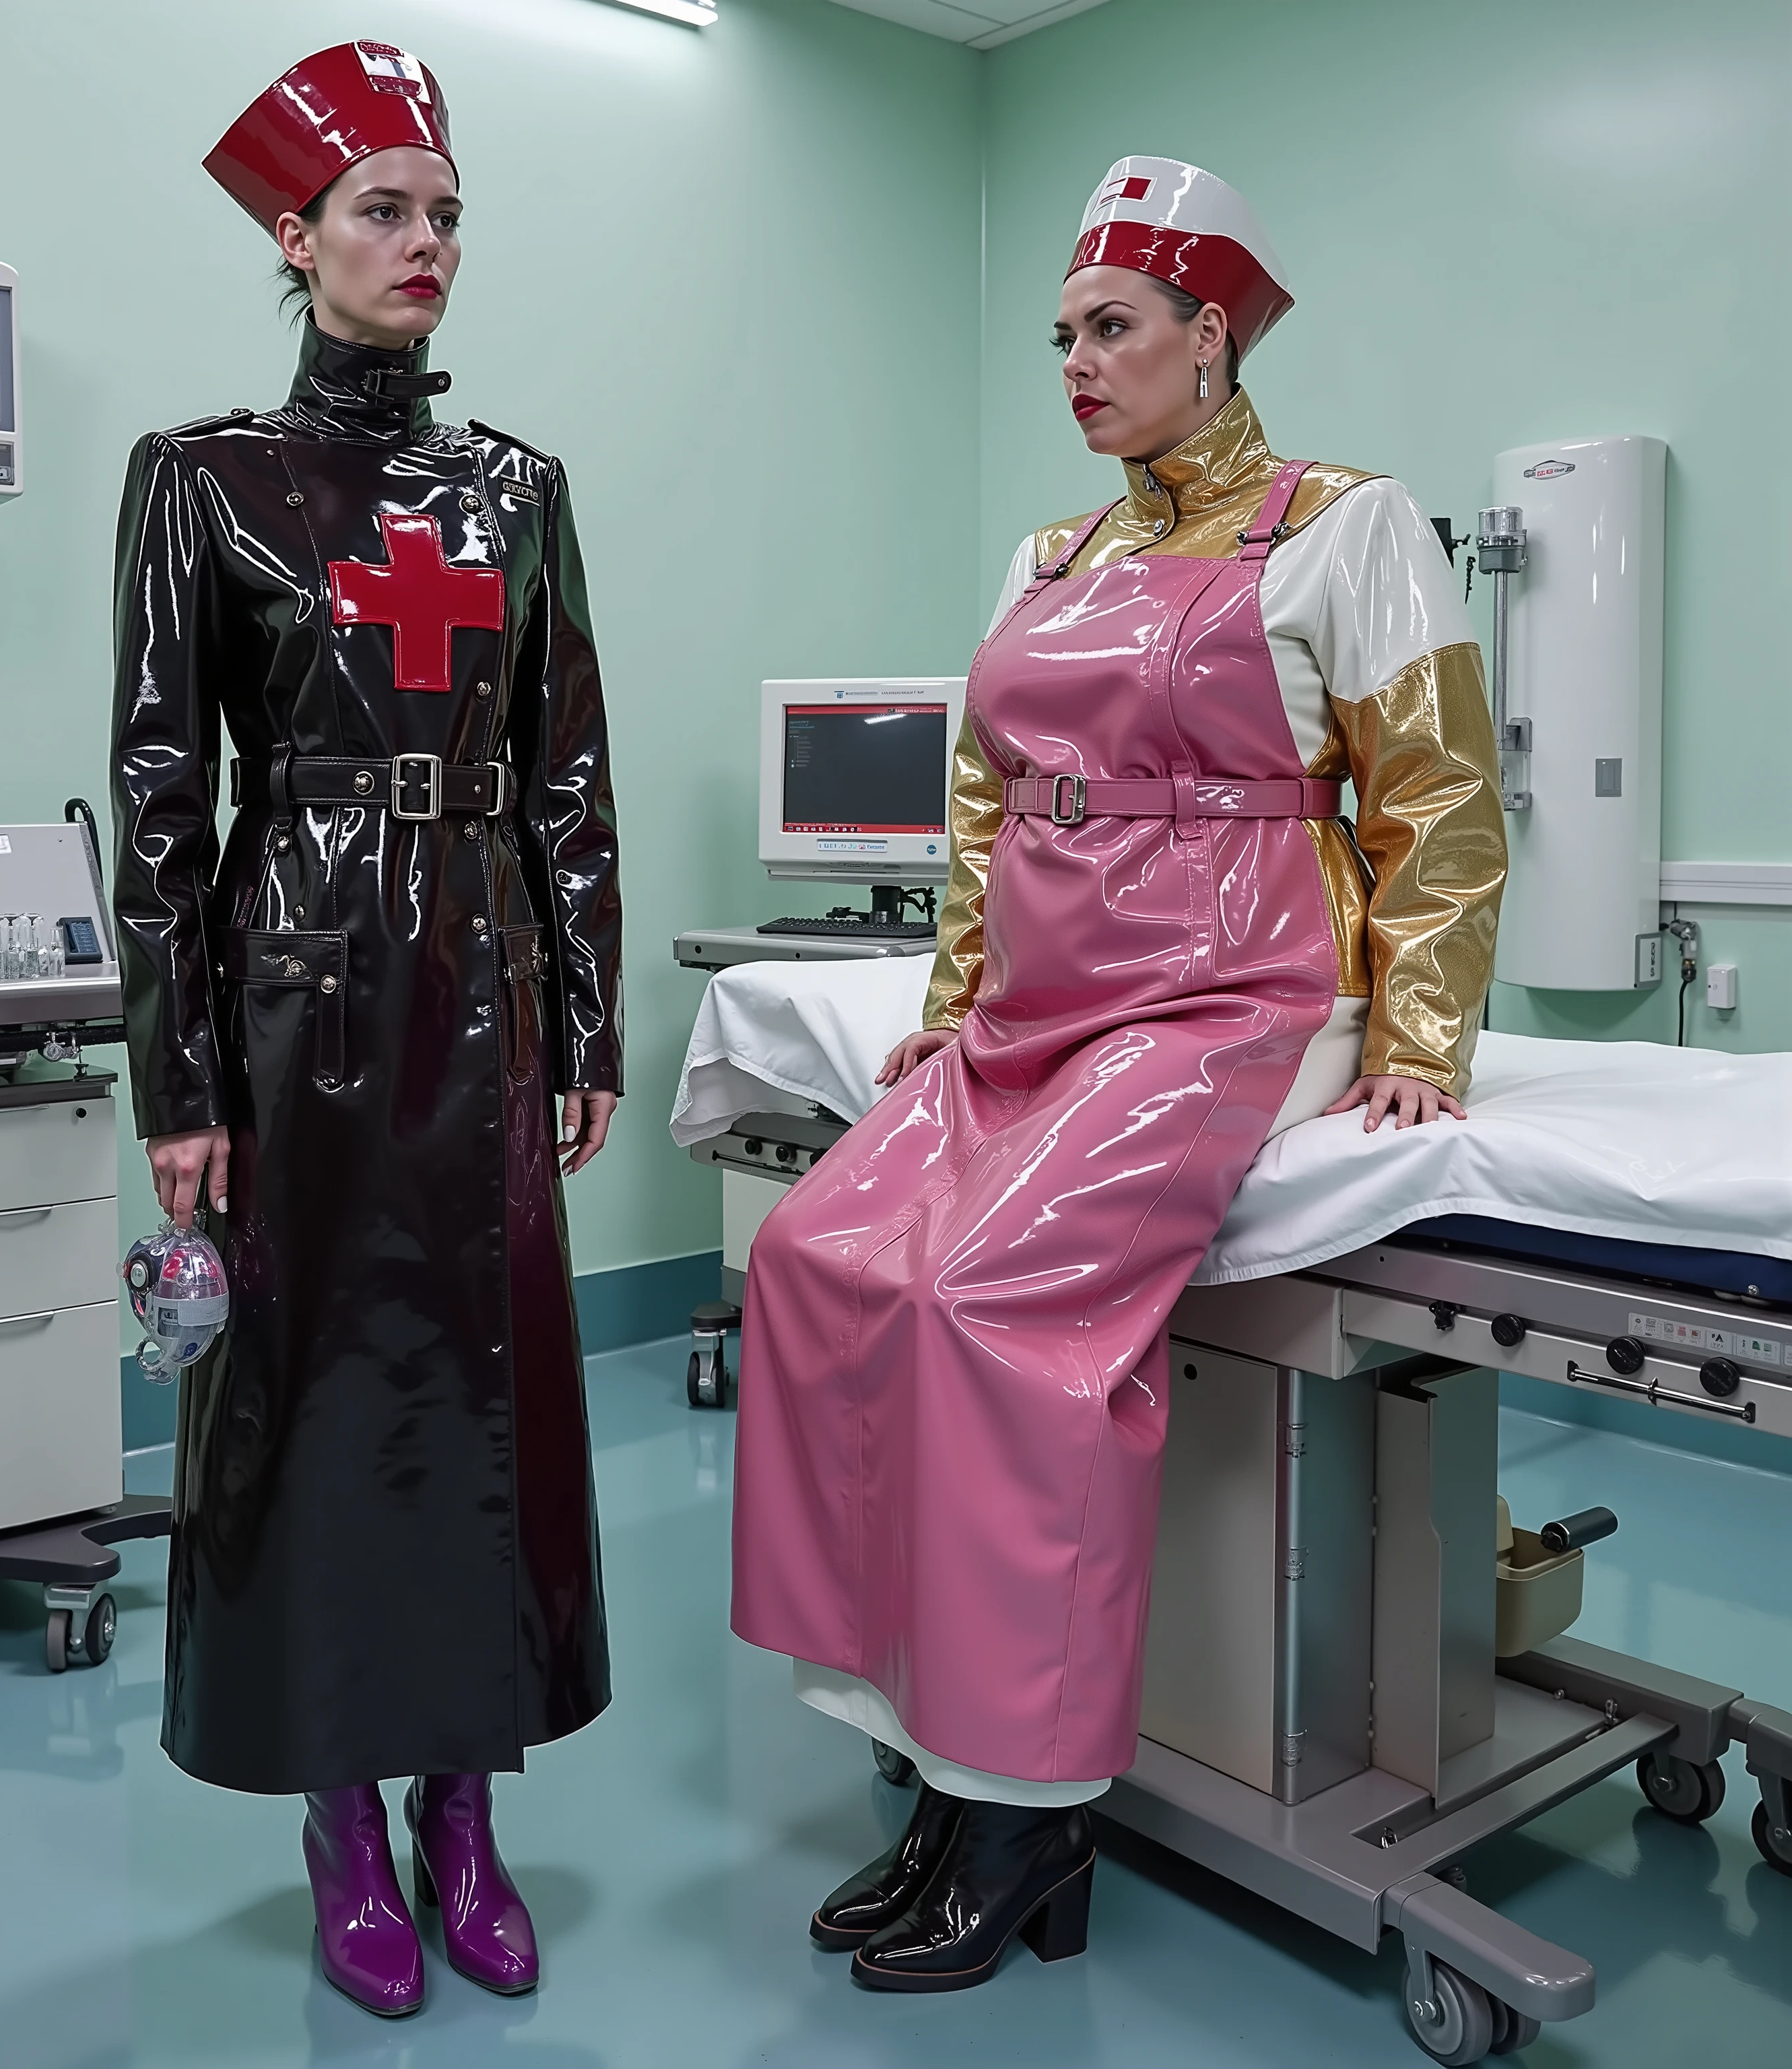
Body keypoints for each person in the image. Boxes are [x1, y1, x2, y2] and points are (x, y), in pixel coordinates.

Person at [730, 156, 1506, 1994]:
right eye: (1061, 335)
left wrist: (1414, 1041)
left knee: (995, 1296)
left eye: (1111, 329)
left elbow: (1442, 799)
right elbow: (986, 804)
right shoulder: (1049, 559)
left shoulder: (1350, 525)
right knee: (828, 1260)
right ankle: (928, 1753)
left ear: (1207, 337)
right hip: (1048, 1002)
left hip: (1238, 991)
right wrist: (954, 994)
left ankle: (1025, 1805)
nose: (1075, 364)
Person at [109, 42, 622, 2019]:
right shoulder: (203, 483)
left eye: (446, 215)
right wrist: (179, 1076)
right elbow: (158, 787)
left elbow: (563, 777)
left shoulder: (517, 492)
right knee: (312, 1412)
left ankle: (465, 1810)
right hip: (298, 990)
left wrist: (582, 1013)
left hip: (480, 992)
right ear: (293, 235)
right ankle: (340, 1816)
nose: (426, 247)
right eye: (384, 213)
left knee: (488, 1406)